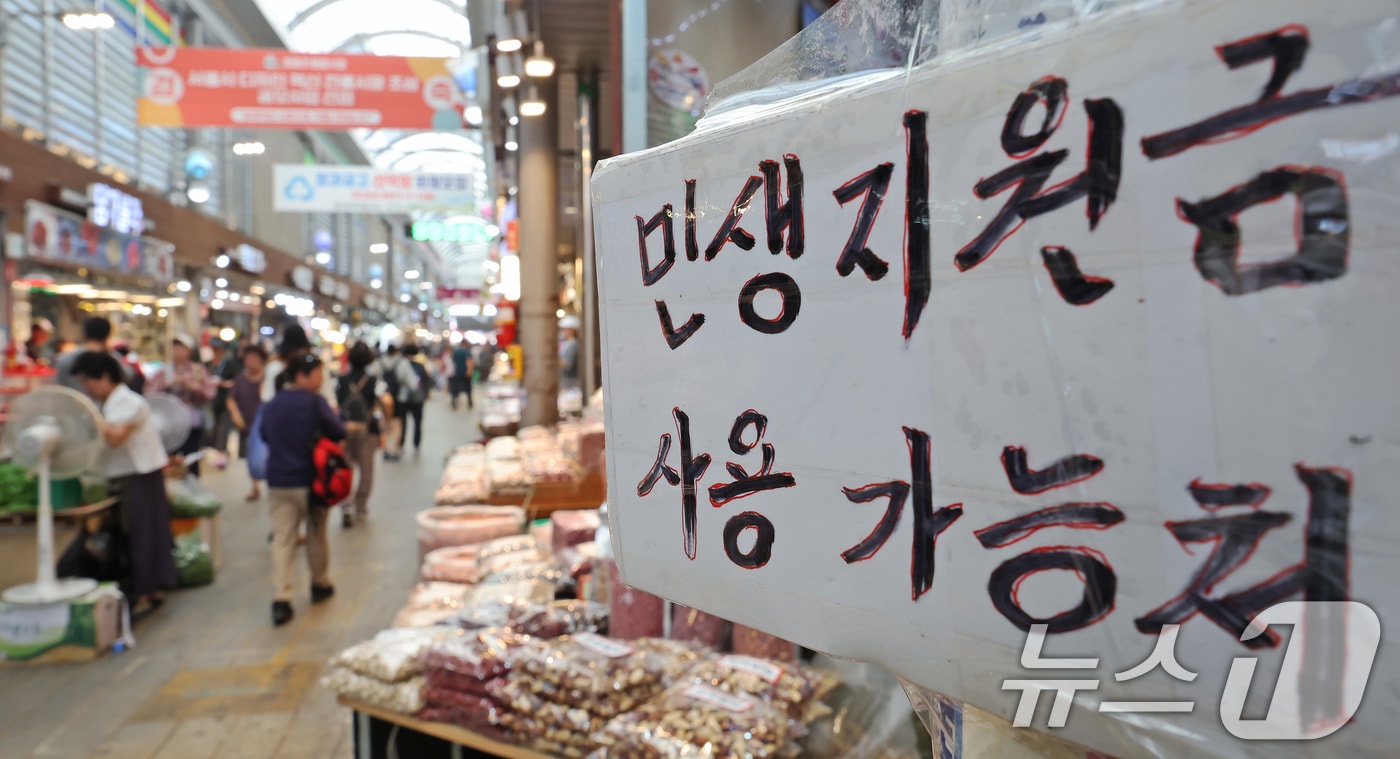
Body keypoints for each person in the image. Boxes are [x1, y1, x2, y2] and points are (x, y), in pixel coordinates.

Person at [72, 351, 176, 616]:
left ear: (105, 376)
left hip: (140, 476)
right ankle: (150, 590)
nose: (86, 388)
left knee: (143, 535)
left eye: (88, 381)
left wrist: (86, 416)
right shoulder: (111, 403)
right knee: (138, 534)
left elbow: (116, 437)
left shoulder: (128, 402)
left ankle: (146, 593)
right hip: (126, 476)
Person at [259, 353, 346, 627]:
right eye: (318, 374)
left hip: (278, 482)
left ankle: (281, 599)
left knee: (283, 538)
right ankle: (319, 583)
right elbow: (337, 431)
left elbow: (264, 435)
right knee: (316, 533)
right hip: (312, 482)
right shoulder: (315, 404)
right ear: (301, 375)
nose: (321, 380)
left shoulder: (273, 404)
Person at [146, 334, 216, 477]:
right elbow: (149, 394)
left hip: (191, 423)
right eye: (175, 347)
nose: (177, 351)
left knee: (191, 460)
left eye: (181, 347)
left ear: (189, 351)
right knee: (167, 461)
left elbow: (210, 393)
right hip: (168, 425)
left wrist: (191, 386)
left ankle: (193, 490)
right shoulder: (163, 371)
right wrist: (167, 385)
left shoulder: (198, 370)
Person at [335, 342, 381, 528]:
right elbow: (381, 404)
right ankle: (360, 506)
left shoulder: (342, 380)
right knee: (366, 469)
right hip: (368, 430)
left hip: (344, 430)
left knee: (346, 468)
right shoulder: (373, 380)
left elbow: (337, 403)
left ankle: (345, 505)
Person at [227, 344, 268, 502]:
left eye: (254, 359)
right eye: (248, 359)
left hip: (264, 425)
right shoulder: (240, 379)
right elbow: (231, 399)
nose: (250, 362)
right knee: (250, 456)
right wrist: (235, 413)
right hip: (246, 423)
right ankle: (254, 485)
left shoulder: (267, 379)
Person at [54, 317, 132, 392]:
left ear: (84, 333)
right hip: (106, 405)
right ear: (108, 335)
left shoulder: (64, 359)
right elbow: (128, 377)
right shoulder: (113, 360)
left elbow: (59, 388)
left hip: (72, 405)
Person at [374, 345, 416, 462]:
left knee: (386, 422)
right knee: (397, 424)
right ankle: (393, 449)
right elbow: (412, 382)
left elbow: (373, 375)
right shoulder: (403, 363)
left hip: (383, 397)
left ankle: (386, 448)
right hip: (400, 398)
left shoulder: (380, 361)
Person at [399, 344, 432, 456]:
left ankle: (401, 442)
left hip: (403, 398)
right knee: (417, 422)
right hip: (418, 398)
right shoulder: (420, 365)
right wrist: (426, 394)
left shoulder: (401, 365)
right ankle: (416, 444)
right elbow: (426, 380)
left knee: (403, 422)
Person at [449, 341, 474, 411]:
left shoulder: (456, 352)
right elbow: (469, 361)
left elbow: (453, 361)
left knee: (455, 388)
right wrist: (469, 371)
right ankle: (469, 401)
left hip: (457, 372)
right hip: (465, 373)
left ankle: (454, 400)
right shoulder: (467, 352)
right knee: (467, 388)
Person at [559, 315, 582, 390]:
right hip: (565, 381)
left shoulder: (574, 345)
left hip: (571, 383)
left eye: (565, 329)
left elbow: (568, 364)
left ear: (572, 330)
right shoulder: (565, 342)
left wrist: (552, 359)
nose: (563, 332)